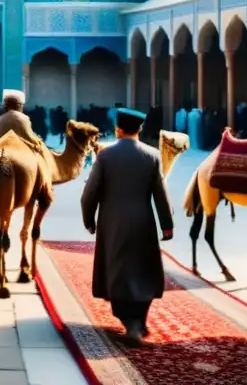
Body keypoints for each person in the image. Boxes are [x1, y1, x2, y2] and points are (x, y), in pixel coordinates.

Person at [81, 108, 173, 344]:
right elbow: (160, 195)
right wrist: (167, 225)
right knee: (143, 270)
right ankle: (139, 321)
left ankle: (131, 325)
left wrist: (89, 220)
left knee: (118, 271)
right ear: (139, 130)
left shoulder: (105, 156)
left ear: (118, 129)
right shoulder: (152, 155)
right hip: (143, 221)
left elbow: (89, 194)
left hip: (112, 223)